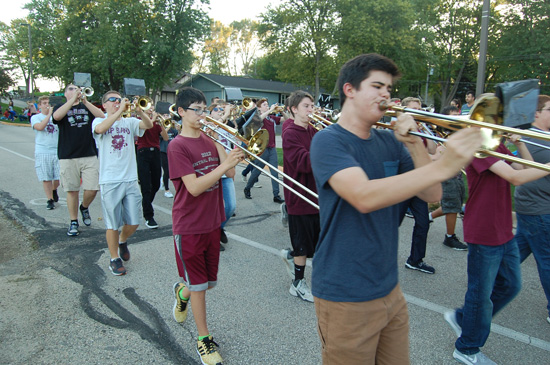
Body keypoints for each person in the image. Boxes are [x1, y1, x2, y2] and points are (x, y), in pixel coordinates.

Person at [310, 53, 482, 364]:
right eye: (377, 86)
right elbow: (363, 196)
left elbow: (431, 193)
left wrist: (415, 143)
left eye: (389, 89)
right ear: (349, 89)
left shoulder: (389, 141)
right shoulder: (328, 141)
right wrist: (443, 165)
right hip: (345, 292)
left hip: (389, 289)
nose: (386, 95)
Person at [444, 118, 550, 364]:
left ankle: (463, 319)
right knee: (480, 294)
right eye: (494, 119)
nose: (501, 123)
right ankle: (467, 348)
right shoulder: (479, 147)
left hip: (502, 227)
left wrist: (520, 144)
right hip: (484, 229)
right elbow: (514, 177)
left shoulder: (497, 145)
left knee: (511, 285)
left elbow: (526, 170)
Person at [168, 87, 244, 365]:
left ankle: (181, 292)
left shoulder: (209, 140)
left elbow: (232, 172)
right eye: (197, 110)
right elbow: (196, 187)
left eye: (205, 109)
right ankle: (204, 340)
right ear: (181, 112)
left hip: (213, 223)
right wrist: (224, 166)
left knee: (205, 284)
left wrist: (221, 143)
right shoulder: (178, 146)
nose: (203, 115)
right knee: (199, 286)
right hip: (188, 226)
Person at [92, 91, 153, 276]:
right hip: (110, 180)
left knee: (134, 222)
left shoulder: (130, 122)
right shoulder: (98, 121)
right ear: (104, 105)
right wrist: (118, 113)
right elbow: (101, 130)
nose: (117, 102)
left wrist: (139, 111)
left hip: (130, 179)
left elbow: (148, 125)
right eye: (113, 100)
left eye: (119, 100)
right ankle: (114, 258)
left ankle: (122, 240)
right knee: (112, 223)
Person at [279, 90, 319, 303]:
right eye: (306, 106)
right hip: (300, 196)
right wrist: (326, 153)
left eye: (311, 106)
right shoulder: (290, 133)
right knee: (303, 245)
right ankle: (298, 284)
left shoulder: (313, 130)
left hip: (317, 195)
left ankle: (291, 255)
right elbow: (303, 162)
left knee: (317, 243)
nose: (311, 110)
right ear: (294, 109)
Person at [514, 94, 550, 325]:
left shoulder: (537, 138)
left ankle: (486, 285)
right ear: (537, 113)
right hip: (540, 209)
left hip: (533, 208)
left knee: (515, 253)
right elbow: (518, 166)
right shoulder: (536, 139)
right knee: (547, 261)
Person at [52, 84, 105, 236]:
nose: (75, 90)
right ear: (65, 93)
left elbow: (102, 116)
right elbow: (56, 117)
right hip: (67, 155)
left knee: (93, 188)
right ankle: (73, 221)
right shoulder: (60, 106)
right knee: (72, 190)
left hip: (89, 153)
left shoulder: (86, 106)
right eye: (71, 89)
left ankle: (84, 207)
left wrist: (85, 101)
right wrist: (72, 100)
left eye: (77, 89)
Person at [400, 97, 438, 274]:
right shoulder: (399, 129)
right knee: (389, 225)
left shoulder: (421, 129)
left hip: (419, 184)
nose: (418, 112)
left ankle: (415, 259)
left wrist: (425, 131)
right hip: (401, 183)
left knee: (423, 223)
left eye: (420, 108)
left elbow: (432, 149)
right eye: (414, 109)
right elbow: (409, 156)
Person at [429, 105, 468, 250]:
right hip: (447, 175)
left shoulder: (458, 134)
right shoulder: (441, 136)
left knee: (455, 205)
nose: (457, 120)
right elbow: (436, 154)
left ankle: (429, 217)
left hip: (457, 174)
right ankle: (449, 237)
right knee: (451, 207)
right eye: (453, 117)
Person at [243, 98, 287, 203]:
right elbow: (259, 120)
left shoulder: (271, 118)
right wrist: (270, 110)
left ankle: (276, 195)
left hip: (272, 149)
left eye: (267, 104)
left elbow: (287, 119)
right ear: (259, 108)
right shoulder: (258, 117)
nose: (267, 106)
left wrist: (282, 111)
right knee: (257, 171)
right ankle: (248, 188)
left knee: (275, 173)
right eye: (264, 105)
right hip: (262, 149)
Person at [208, 102, 237, 248]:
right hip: (211, 172)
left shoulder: (226, 127)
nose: (220, 111)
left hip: (226, 171)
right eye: (217, 110)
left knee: (231, 206)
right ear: (209, 113)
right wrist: (225, 113)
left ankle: (218, 228)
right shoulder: (207, 125)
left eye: (221, 109)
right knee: (212, 208)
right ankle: (213, 236)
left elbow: (234, 143)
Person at [136, 105, 168, 229]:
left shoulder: (157, 122)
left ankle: (146, 203)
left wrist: (163, 125)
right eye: (149, 108)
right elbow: (143, 131)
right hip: (143, 152)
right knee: (145, 185)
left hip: (155, 152)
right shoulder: (140, 121)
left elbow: (165, 138)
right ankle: (149, 217)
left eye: (153, 108)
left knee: (155, 184)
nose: (152, 109)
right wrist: (152, 119)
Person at [31, 96, 60, 210]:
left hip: (57, 150)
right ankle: (50, 199)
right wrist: (49, 115)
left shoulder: (57, 118)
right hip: (43, 151)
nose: (47, 105)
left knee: (59, 177)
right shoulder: (36, 117)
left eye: (48, 103)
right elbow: (40, 127)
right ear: (40, 105)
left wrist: (53, 115)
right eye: (44, 103)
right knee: (46, 177)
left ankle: (54, 189)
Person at [160, 118, 179, 198]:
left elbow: (177, 136)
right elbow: (162, 136)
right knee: (167, 171)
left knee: (172, 171)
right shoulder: (161, 128)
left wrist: (177, 128)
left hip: (172, 151)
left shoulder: (172, 129)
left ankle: (164, 181)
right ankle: (167, 190)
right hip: (163, 151)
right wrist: (167, 127)